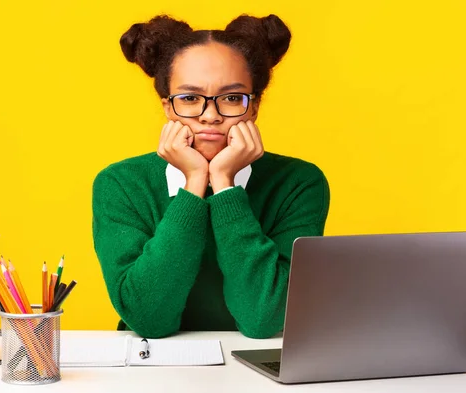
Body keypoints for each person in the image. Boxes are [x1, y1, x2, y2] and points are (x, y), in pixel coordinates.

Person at [92, 13, 330, 339]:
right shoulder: (120, 183)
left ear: (254, 106)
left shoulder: (298, 182)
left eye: (232, 98)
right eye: (190, 98)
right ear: (167, 107)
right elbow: (148, 319)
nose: (210, 116)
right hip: (153, 369)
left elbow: (263, 319)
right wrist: (193, 185)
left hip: (255, 368)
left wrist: (224, 185)